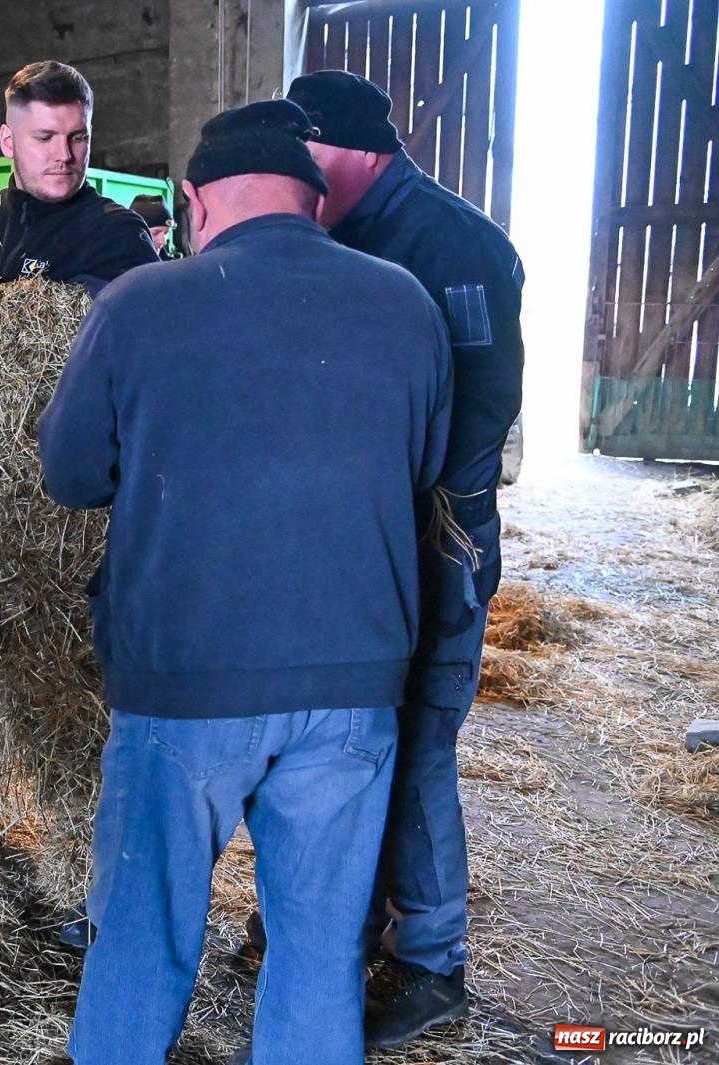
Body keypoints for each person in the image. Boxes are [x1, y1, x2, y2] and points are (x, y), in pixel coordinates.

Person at [39, 98, 451, 1065]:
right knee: (316, 954)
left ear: (192, 200)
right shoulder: (405, 302)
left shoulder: (139, 303)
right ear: (316, 203)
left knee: (142, 941)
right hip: (353, 688)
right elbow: (423, 461)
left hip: (184, 685)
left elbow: (70, 475)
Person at [284, 69, 526, 1049]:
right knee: (342, 729)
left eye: (300, 160)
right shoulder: (333, 234)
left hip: (431, 534)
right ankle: (336, 920)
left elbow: (480, 413)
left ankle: (430, 965)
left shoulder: (451, 243)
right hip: (347, 533)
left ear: (345, 148)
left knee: (419, 736)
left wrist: (397, 511)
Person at [0, 60, 157, 291]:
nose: (64, 155)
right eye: (44, 137)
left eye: (78, 137)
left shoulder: (119, 235)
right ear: (8, 142)